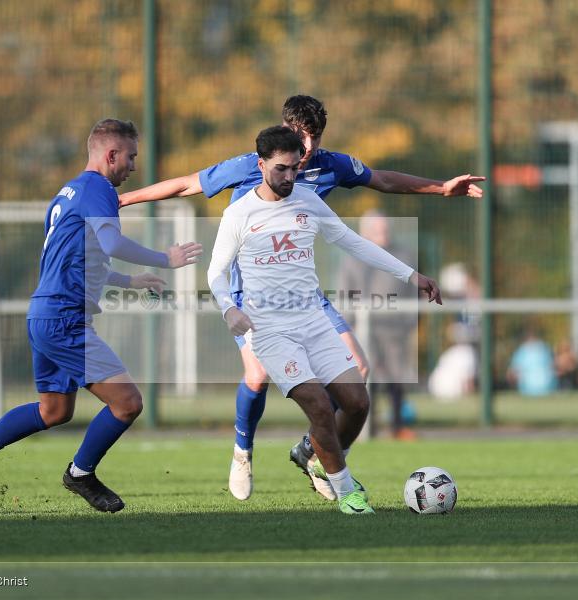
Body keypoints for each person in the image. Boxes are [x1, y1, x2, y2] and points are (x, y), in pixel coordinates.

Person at [121, 95, 482, 501]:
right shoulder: (251, 165)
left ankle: (317, 456)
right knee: (256, 375)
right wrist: (123, 199)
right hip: (251, 291)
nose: (308, 150)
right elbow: (188, 183)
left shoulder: (330, 164)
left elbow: (381, 180)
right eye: (301, 139)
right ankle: (243, 451)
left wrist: (441, 189)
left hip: (303, 291)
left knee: (357, 370)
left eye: (315, 139)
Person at [0, 119, 202, 512]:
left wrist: (130, 281)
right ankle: (80, 474)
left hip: (45, 312)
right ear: (110, 155)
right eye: (130, 157)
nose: (133, 166)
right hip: (64, 317)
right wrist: (166, 258)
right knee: (127, 402)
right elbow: (110, 242)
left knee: (54, 410)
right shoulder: (98, 189)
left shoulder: (68, 192)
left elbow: (80, 258)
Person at [207, 126, 443, 514]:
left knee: (357, 403)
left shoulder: (306, 200)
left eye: (294, 168)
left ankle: (319, 460)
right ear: (261, 164)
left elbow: (354, 242)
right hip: (270, 330)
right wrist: (228, 308)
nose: (289, 177)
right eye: (280, 169)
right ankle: (348, 493)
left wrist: (412, 276)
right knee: (318, 406)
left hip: (314, 322)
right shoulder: (239, 213)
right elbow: (215, 272)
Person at [337, 210, 418, 440]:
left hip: (394, 330)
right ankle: (366, 427)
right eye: (377, 230)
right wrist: (348, 331)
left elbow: (414, 293)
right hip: (363, 332)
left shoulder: (404, 256)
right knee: (365, 379)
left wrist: (409, 322)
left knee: (397, 379)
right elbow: (344, 297)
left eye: (385, 229)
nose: (383, 234)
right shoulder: (352, 260)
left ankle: (398, 427)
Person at [507, 329, 557, 397]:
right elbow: (553, 366)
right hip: (543, 389)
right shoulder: (544, 348)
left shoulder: (522, 351)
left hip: (532, 390)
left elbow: (513, 371)